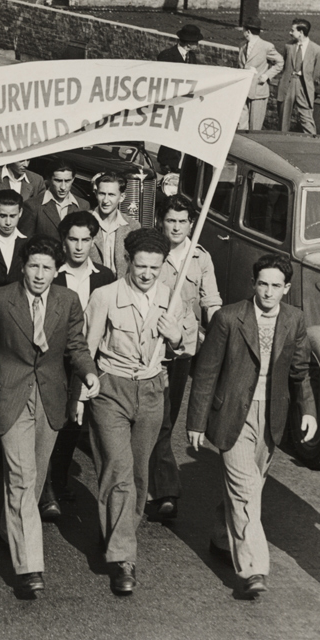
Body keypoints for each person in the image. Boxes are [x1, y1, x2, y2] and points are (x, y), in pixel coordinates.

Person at [0, 235, 99, 597]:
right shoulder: (1, 301)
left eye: (47, 268)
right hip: (10, 395)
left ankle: (8, 527)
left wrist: (89, 372)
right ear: (23, 266)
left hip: (50, 398)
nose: (39, 274)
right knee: (21, 477)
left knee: (32, 480)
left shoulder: (68, 301)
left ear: (56, 271)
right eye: (33, 266)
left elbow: (77, 346)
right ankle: (30, 566)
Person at [187, 253, 314, 600]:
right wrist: (196, 422)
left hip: (272, 417)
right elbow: (206, 372)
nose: (268, 292)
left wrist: (308, 411)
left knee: (250, 488)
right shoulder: (229, 318)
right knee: (245, 491)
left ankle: (219, 536)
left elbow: (299, 373)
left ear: (286, 288)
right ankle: (254, 569)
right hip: (232, 416)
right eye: (262, 284)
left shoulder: (295, 319)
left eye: (276, 286)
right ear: (253, 284)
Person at [84, 228, 196, 595]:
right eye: (140, 265)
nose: (146, 273)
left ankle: (118, 534)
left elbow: (189, 344)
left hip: (151, 389)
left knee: (138, 475)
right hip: (111, 387)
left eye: (155, 267)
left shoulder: (172, 297)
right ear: (127, 262)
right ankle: (123, 558)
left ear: (164, 266)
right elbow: (86, 347)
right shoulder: (105, 296)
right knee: (117, 469)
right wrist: (84, 390)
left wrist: (176, 336)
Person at [146, 195, 222, 522]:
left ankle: (153, 481)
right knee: (156, 419)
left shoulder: (200, 258)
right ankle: (166, 490)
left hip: (182, 349)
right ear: (161, 222)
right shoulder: (150, 253)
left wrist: (222, 339)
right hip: (148, 344)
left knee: (166, 417)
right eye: (170, 221)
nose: (176, 227)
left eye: (182, 221)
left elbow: (211, 302)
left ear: (191, 223)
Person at [40, 211, 116, 517]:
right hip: (54, 360)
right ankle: (46, 492)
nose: (79, 246)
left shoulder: (105, 276)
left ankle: (57, 481)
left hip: (86, 361)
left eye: (86, 240)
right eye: (73, 239)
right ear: (63, 240)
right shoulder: (52, 273)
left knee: (74, 424)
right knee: (50, 424)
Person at [18, 159, 89, 240]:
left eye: (67, 181)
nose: (63, 187)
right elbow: (24, 243)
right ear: (48, 179)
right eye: (58, 181)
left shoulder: (83, 206)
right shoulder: (32, 206)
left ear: (73, 179)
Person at [277, 18, 320, 136]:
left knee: (307, 120)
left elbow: (315, 75)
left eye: (293, 30)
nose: (290, 32)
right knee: (283, 120)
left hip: (304, 87)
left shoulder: (317, 50)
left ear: (301, 32)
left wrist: (308, 87)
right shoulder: (288, 46)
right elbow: (285, 66)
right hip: (288, 85)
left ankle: (313, 145)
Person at [89, 172, 141, 277]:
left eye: (111, 195)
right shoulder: (83, 222)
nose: (105, 200)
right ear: (96, 194)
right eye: (102, 194)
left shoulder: (133, 226)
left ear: (121, 197)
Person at [238, 16, 284, 131]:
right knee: (241, 124)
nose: (243, 32)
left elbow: (280, 62)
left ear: (248, 32)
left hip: (258, 91)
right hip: (243, 90)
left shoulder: (266, 46)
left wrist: (267, 75)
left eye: (243, 30)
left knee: (255, 127)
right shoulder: (242, 46)